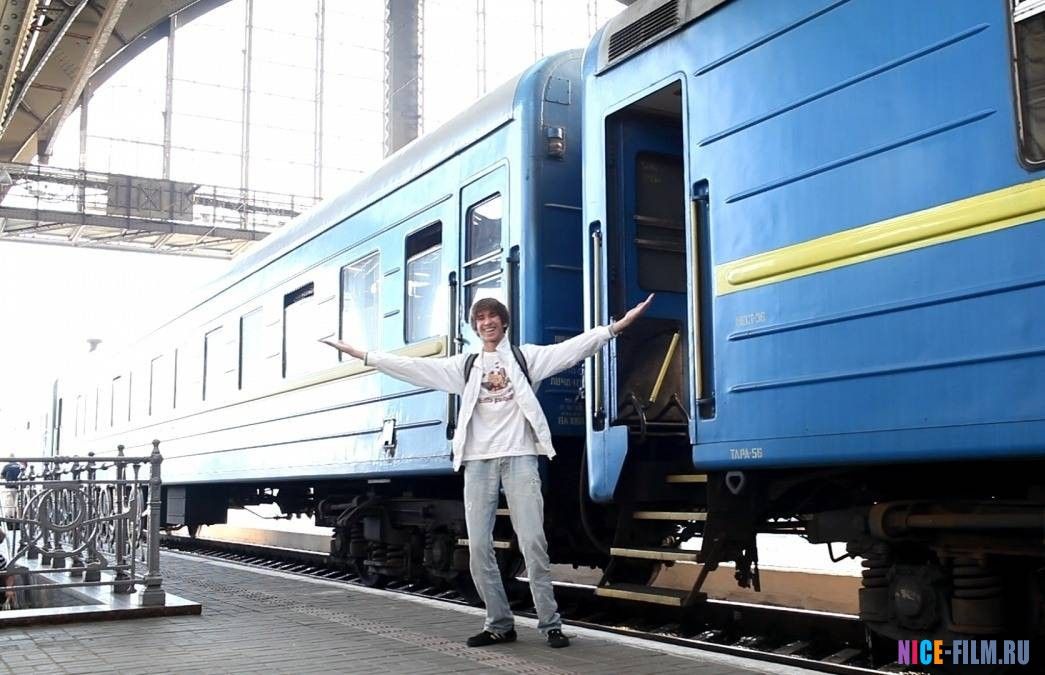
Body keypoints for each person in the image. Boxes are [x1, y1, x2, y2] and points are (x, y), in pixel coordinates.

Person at [321, 293, 654, 648]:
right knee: (479, 547)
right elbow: (414, 368)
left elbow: (572, 349)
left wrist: (615, 328)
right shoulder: (465, 366)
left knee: (533, 542)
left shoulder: (526, 358)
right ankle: (499, 623)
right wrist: (363, 354)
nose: (486, 322)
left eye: (492, 316)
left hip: (520, 457)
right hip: (479, 462)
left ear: (503, 322)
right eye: (480, 318)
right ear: (475, 327)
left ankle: (550, 624)